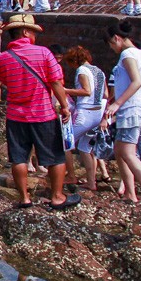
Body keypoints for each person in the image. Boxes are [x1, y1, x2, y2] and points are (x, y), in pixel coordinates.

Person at [0, 14, 72, 209]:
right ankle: (57, 196)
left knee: (19, 158)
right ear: (25, 32)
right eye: (34, 33)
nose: (35, 36)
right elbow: (56, 82)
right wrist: (64, 105)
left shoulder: (3, 58)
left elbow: (4, 82)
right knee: (55, 157)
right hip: (43, 113)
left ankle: (24, 198)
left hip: (15, 115)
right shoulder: (44, 53)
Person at [100, 22, 141, 206]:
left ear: (116, 38)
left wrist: (116, 104)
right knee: (120, 150)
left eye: (111, 44)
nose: (112, 49)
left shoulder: (128, 54)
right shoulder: (139, 54)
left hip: (133, 109)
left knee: (128, 152)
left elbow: (137, 82)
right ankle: (130, 192)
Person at [62, 46, 109, 192]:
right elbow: (106, 94)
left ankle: (71, 175)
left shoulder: (81, 70)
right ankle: (91, 182)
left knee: (65, 142)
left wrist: (64, 90)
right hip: (98, 113)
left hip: (85, 113)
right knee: (84, 147)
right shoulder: (99, 71)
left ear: (74, 60)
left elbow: (86, 91)